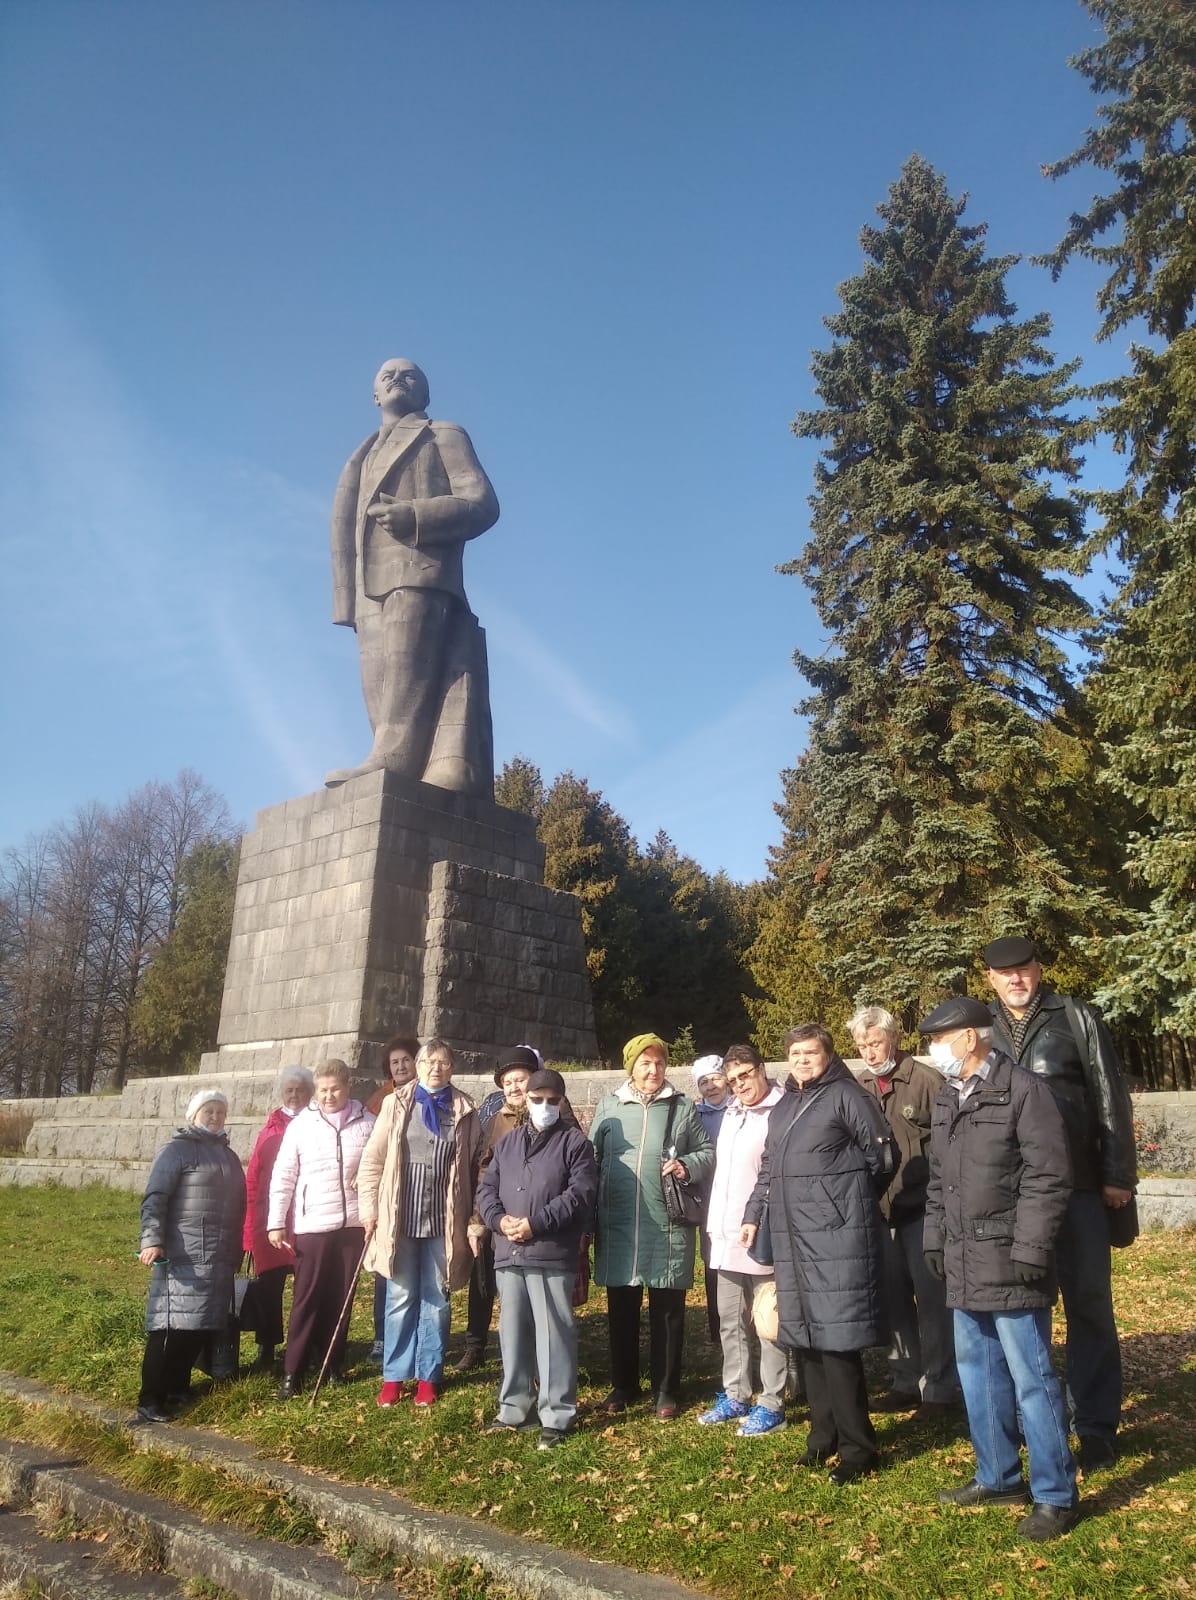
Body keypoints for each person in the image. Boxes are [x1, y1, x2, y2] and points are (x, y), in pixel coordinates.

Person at [921, 995, 1080, 1542]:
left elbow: (1048, 1176)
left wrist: (1034, 1248)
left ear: (969, 1038)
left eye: (938, 1041)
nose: (932, 1051)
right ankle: (997, 1475)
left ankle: (1055, 1496)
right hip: (964, 1261)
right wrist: (933, 1238)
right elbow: (941, 1179)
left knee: (1032, 1380)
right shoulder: (948, 1096)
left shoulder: (1025, 1091)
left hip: (1013, 1260)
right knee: (979, 1376)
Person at [983, 936, 1136, 1469]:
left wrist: (1118, 1174)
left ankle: (1095, 1424)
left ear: (1038, 970)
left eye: (1023, 970)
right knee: (1026, 1309)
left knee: (1089, 1305)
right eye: (1005, 975)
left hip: (1080, 1188)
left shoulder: (1075, 1017)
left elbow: (1109, 1094)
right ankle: (1039, 1418)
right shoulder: (983, 1032)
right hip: (1014, 1196)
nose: (1016, 980)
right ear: (990, 981)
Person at [326, 358, 500, 794]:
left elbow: (482, 502)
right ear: (374, 395)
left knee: (405, 679)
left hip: (420, 572)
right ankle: (391, 758)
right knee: (379, 684)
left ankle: (392, 761)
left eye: (410, 375)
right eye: (387, 375)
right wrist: (345, 596)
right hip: (368, 585)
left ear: (424, 395)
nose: (398, 379)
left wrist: (416, 517)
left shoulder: (443, 433)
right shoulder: (360, 455)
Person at [741, 1024, 895, 1485]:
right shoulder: (786, 1104)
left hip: (836, 1239)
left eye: (811, 1052)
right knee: (805, 1339)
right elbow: (770, 1165)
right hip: (792, 1238)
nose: (803, 1060)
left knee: (838, 1344)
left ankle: (859, 1448)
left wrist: (843, 1201)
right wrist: (754, 1213)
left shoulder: (847, 1096)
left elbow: (882, 1158)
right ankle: (821, 1436)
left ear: (828, 1055)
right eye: (794, 1053)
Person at [589, 1033, 714, 1419]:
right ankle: (624, 1384)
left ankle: (666, 1389)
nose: (653, 1070)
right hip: (620, 1223)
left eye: (659, 1063)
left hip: (667, 1226)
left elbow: (708, 1152)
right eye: (645, 1063)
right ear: (631, 1067)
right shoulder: (610, 1107)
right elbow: (590, 1158)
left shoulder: (682, 1108)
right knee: (621, 1309)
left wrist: (686, 1166)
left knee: (667, 1312)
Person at [357, 1037, 483, 1406]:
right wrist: (369, 1212)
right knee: (399, 1297)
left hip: (443, 1222)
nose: (435, 1068)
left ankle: (429, 1375)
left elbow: (475, 1171)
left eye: (443, 1062)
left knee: (437, 1299)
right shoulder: (395, 1104)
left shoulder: (464, 1109)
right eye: (429, 1061)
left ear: (452, 1067)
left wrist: (474, 1221)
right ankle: (394, 1375)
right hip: (400, 1219)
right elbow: (372, 1162)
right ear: (418, 1064)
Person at [476, 1068, 598, 1449]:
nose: (544, 1105)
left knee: (553, 1336)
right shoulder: (508, 1142)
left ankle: (557, 1413)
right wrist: (499, 1220)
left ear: (562, 1102)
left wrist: (536, 1223)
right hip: (508, 1251)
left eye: (551, 1099)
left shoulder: (576, 1144)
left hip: (550, 1252)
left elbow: (579, 1195)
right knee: (512, 1335)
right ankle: (515, 1407)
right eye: (536, 1098)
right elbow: (486, 1189)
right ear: (525, 1100)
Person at [848, 1005, 959, 1417]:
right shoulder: (857, 1086)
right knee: (894, 1301)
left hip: (923, 1211)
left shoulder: (926, 1082)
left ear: (893, 1038)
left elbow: (949, 1146)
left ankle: (940, 1386)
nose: (869, 1052)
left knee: (933, 1302)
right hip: (879, 1212)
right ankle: (904, 1380)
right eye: (862, 1045)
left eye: (875, 1042)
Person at [136, 1088, 246, 1423]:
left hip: (216, 1255)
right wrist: (151, 1239)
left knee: (198, 1326)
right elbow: (156, 1196)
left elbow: (239, 1205)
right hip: (184, 1255)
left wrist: (236, 1248)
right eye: (208, 1111)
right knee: (170, 1326)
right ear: (194, 1115)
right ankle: (150, 1398)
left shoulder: (227, 1154)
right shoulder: (176, 1150)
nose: (215, 1117)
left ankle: (176, 1387)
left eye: (220, 1112)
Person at [267, 1060, 375, 1399]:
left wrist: (369, 1177)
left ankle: (331, 1363)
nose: (329, 1096)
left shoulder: (368, 1123)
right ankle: (293, 1370)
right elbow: (283, 1175)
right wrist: (276, 1222)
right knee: (307, 1298)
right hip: (312, 1225)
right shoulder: (301, 1126)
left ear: (348, 1087)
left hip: (353, 1226)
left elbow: (381, 1163)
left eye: (336, 1089)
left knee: (340, 1298)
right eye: (323, 1090)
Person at [698, 1044, 788, 1436]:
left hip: (764, 1231)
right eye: (732, 1080)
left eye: (745, 1075)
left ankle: (772, 1401)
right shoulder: (733, 1111)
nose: (739, 1085)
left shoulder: (782, 1109)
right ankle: (735, 1392)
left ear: (761, 1069)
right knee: (729, 1320)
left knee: (767, 1320)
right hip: (727, 1233)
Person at [458, 1045, 563, 1372]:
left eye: (521, 1080)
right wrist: (478, 1219)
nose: (515, 1087)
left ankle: (527, 1349)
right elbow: (483, 1171)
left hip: (536, 1217)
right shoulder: (496, 1122)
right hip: (496, 1214)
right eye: (508, 1082)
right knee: (482, 1279)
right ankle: (475, 1344)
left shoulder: (554, 1114)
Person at [241, 1065, 315, 1373]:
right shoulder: (269, 1129)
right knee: (268, 1289)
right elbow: (253, 1180)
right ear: (282, 1094)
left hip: (306, 1219)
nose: (295, 1095)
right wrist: (248, 1232)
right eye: (289, 1090)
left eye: (300, 1089)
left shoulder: (316, 1123)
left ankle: (306, 1346)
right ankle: (266, 1347)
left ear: (309, 1092)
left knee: (306, 1288)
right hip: (268, 1221)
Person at [367, 1034, 420, 1358]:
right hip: (388, 1197)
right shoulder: (378, 1101)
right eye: (394, 1062)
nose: (400, 1066)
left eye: (405, 1060)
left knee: (417, 1273)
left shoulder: (430, 1097)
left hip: (418, 1196)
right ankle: (381, 1336)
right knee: (385, 1270)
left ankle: (412, 1335)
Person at [691, 1053, 729, 1342]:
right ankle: (718, 1327)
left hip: (737, 1194)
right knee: (712, 1259)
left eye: (715, 1078)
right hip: (708, 1199)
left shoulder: (739, 1108)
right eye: (704, 1082)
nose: (711, 1086)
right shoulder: (695, 1115)